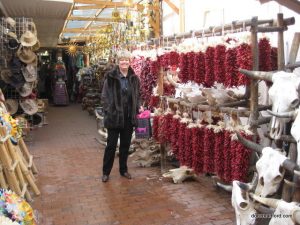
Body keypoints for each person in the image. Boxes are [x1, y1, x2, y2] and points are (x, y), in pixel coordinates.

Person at [101, 49, 143, 182]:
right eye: (121, 60)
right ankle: (106, 172)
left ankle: (123, 170)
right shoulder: (111, 77)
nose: (124, 62)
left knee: (125, 145)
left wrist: (139, 106)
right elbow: (104, 97)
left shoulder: (134, 78)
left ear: (130, 62)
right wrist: (109, 110)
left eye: (126, 60)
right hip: (114, 118)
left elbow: (138, 95)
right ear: (118, 62)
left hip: (128, 118)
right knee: (111, 145)